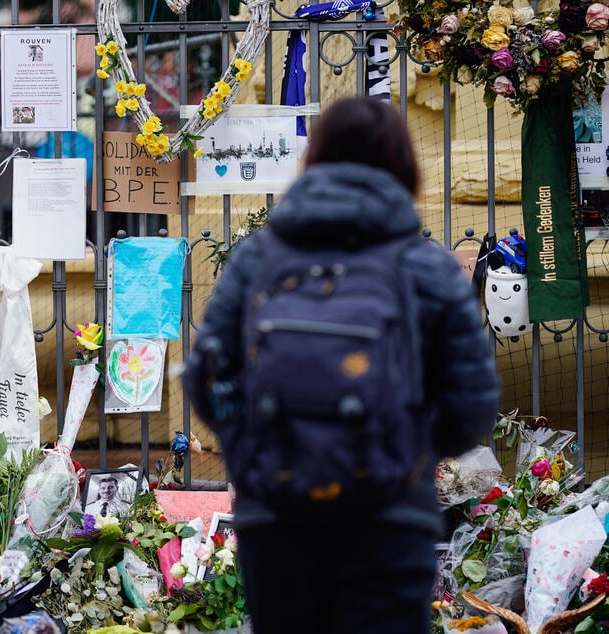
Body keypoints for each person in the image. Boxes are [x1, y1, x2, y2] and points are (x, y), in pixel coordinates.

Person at [182, 96, 500, 634]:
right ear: (404, 165)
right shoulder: (427, 268)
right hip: (390, 514)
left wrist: (255, 444)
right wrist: (407, 445)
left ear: (315, 160)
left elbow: (205, 376)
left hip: (277, 510)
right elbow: (472, 410)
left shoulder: (258, 259)